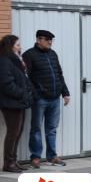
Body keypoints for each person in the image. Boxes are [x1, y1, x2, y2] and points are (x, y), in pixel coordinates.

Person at [23, 30, 70, 168]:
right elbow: (26, 78)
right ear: (39, 40)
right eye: (47, 39)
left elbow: (59, 74)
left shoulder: (53, 54)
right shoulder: (29, 55)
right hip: (40, 100)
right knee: (36, 129)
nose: (50, 42)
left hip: (55, 98)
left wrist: (65, 93)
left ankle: (52, 157)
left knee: (52, 129)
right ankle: (36, 157)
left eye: (51, 40)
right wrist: (36, 94)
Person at [0, 35, 33, 173]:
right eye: (17, 45)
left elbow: (22, 79)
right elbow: (6, 84)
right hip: (11, 103)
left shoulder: (15, 60)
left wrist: (30, 90)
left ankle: (14, 160)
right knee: (13, 133)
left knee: (18, 132)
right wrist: (22, 94)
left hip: (19, 102)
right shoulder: (4, 61)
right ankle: (8, 163)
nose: (20, 47)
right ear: (10, 45)